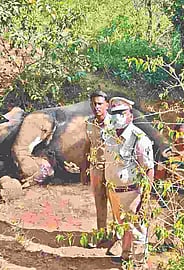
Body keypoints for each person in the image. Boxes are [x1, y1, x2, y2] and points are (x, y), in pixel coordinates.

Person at [103, 97, 154, 267]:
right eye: (114, 113)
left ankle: (139, 263)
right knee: (123, 225)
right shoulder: (109, 135)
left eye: (121, 113)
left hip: (132, 193)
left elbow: (148, 170)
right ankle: (126, 257)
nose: (117, 117)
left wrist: (145, 200)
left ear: (130, 115)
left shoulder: (138, 138)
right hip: (114, 191)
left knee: (137, 228)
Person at [80, 91, 112, 246]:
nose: (96, 107)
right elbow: (88, 146)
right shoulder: (89, 123)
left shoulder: (115, 123)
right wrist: (84, 169)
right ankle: (101, 235)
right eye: (93, 103)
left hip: (113, 170)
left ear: (107, 104)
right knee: (99, 203)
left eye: (100, 103)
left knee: (116, 204)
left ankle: (119, 238)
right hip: (96, 168)